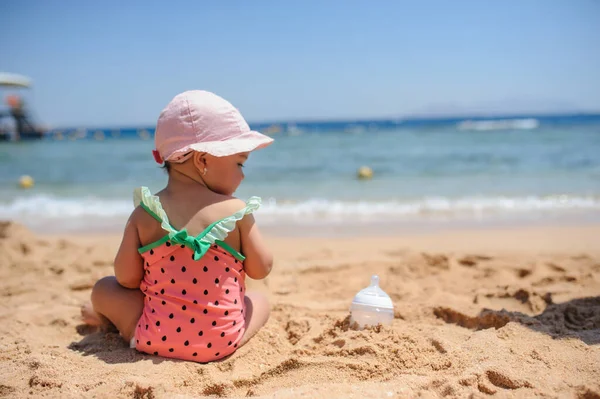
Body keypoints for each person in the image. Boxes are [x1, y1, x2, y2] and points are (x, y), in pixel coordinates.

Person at [81, 90, 274, 363]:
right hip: (221, 342)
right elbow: (262, 267)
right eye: (240, 163)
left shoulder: (145, 212)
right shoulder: (235, 211)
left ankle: (107, 320)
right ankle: (236, 335)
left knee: (104, 288)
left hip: (153, 338)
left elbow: (126, 279)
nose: (243, 174)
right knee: (259, 300)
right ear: (202, 160)